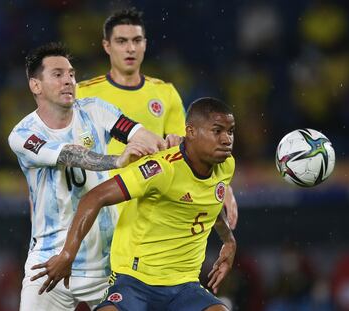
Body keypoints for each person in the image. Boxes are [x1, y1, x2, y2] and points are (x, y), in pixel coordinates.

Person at [32, 97, 237, 311]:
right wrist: (67, 254)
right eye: (217, 131)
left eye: (230, 131)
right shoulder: (161, 169)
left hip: (184, 285)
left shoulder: (226, 166)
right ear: (191, 132)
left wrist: (229, 241)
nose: (226, 139)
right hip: (135, 281)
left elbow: (210, 203)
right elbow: (94, 197)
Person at [8, 42, 166, 311]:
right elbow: (69, 155)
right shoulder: (23, 135)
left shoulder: (95, 110)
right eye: (57, 74)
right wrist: (116, 160)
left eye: (71, 74)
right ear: (36, 85)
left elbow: (138, 134)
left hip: (107, 264)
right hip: (50, 262)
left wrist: (163, 143)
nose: (69, 80)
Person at [76, 8, 238, 229]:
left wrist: (223, 187)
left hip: (147, 212)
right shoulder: (83, 94)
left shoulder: (165, 92)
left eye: (136, 40)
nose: (130, 48)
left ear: (145, 43)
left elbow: (193, 150)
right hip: (98, 208)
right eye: (121, 41)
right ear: (107, 46)